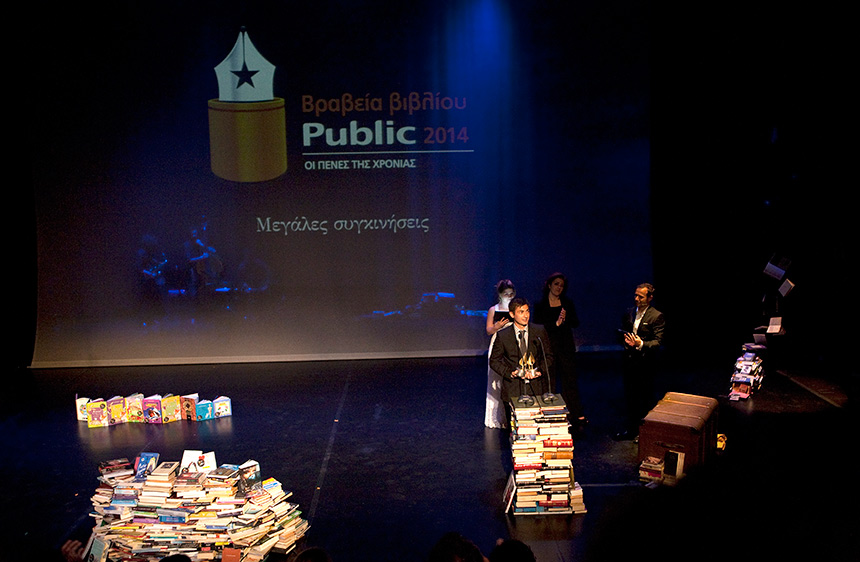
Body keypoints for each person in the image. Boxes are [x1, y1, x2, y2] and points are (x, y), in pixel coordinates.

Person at [533, 272, 585, 427]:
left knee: (570, 380)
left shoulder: (567, 303)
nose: (559, 288)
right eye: (556, 284)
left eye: (561, 285)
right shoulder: (540, 305)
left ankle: (575, 413)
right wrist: (555, 324)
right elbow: (537, 326)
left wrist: (565, 318)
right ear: (549, 285)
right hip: (548, 347)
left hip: (565, 347)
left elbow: (576, 323)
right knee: (549, 380)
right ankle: (549, 413)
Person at [614, 282, 665, 441]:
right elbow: (622, 332)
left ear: (649, 298)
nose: (636, 299)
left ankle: (645, 433)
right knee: (630, 398)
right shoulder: (629, 312)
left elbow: (657, 342)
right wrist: (625, 340)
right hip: (630, 362)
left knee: (645, 398)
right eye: (636, 295)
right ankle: (631, 430)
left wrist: (640, 344)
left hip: (645, 364)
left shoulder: (656, 316)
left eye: (641, 297)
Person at [489, 297, 553, 411]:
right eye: (521, 312)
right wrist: (510, 372)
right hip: (513, 389)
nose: (525, 316)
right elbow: (494, 361)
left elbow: (549, 356)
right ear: (512, 314)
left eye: (527, 311)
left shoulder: (539, 331)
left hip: (536, 388)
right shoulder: (503, 336)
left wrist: (540, 371)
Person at [484, 280, 516, 428]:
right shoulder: (494, 309)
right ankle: (497, 417)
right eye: (506, 294)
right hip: (498, 344)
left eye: (511, 294)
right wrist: (496, 326)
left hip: (512, 345)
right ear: (500, 294)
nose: (509, 297)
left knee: (511, 378)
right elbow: (488, 330)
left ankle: (512, 416)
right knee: (496, 378)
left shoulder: (516, 309)